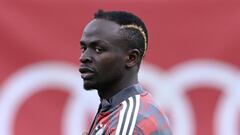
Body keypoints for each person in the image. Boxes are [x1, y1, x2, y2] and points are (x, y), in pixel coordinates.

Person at [79, 9, 172, 135]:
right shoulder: (116, 109)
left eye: (99, 49)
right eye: (84, 48)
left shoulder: (129, 122)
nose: (84, 57)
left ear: (131, 58)